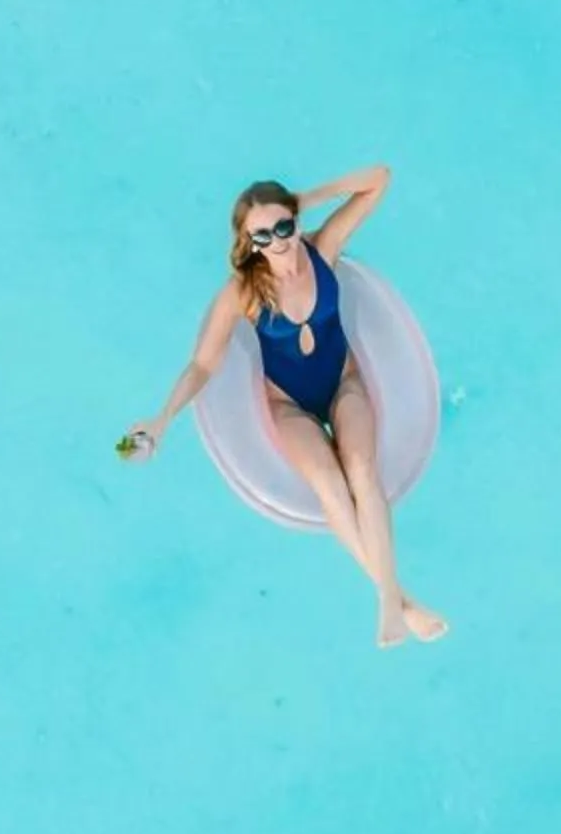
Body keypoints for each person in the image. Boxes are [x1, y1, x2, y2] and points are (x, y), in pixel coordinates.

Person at [125, 167, 449, 648]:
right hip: (289, 404)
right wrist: (162, 419)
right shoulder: (243, 292)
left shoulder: (323, 250)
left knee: (362, 470)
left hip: (344, 382)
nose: (277, 241)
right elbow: (202, 364)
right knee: (330, 486)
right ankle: (398, 602)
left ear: (295, 221)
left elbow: (379, 179)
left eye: (283, 227)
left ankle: (390, 604)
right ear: (248, 241)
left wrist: (304, 199)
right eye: (262, 234)